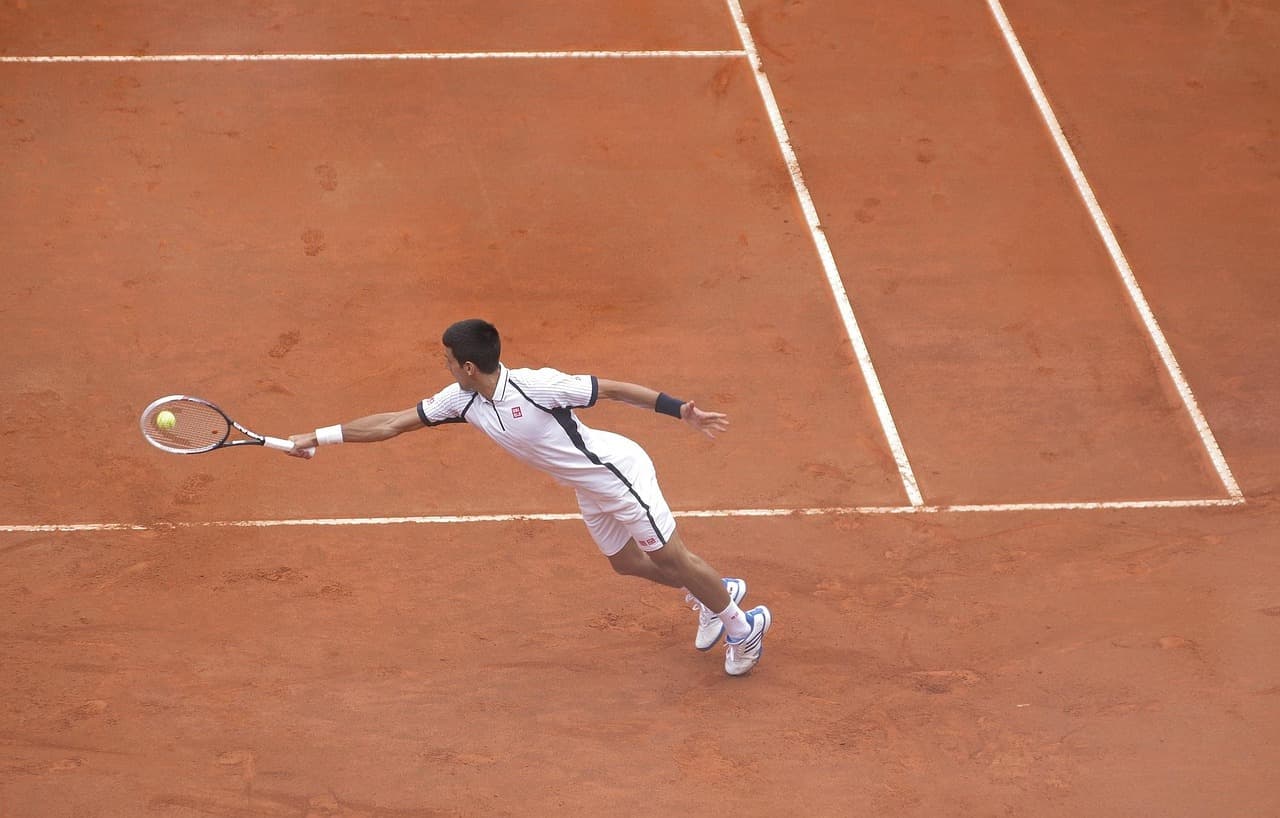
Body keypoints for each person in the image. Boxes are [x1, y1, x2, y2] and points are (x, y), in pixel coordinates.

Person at [285, 318, 772, 676]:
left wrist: (678, 410)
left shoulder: (537, 386)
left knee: (670, 555)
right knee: (626, 563)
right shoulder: (462, 400)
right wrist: (319, 435)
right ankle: (713, 594)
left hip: (617, 474)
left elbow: (616, 390)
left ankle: (742, 626)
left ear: (469, 366)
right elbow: (391, 423)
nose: (446, 365)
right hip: (588, 487)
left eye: (449, 360)